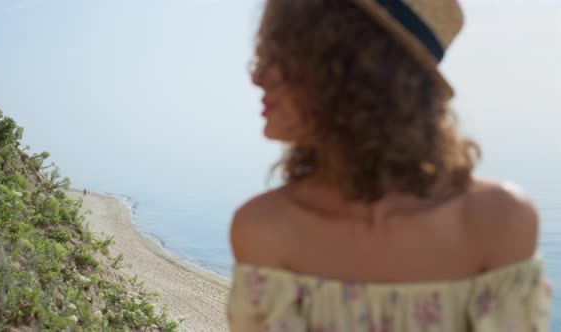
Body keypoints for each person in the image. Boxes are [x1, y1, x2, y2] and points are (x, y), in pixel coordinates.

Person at [227, 0, 552, 331]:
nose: (257, 76)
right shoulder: (263, 230)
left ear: (361, 67)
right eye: (264, 53)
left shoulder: (501, 221)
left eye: (284, 54)